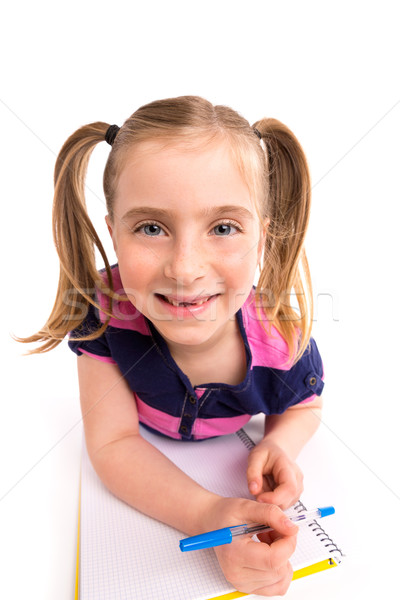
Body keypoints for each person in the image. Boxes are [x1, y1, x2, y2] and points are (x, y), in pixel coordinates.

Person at [19, 96, 324, 596]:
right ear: (114, 233)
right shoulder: (105, 312)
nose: (185, 268)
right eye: (151, 228)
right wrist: (207, 514)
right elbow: (113, 442)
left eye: (223, 228)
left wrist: (277, 444)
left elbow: (307, 404)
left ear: (262, 237)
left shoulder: (281, 339)